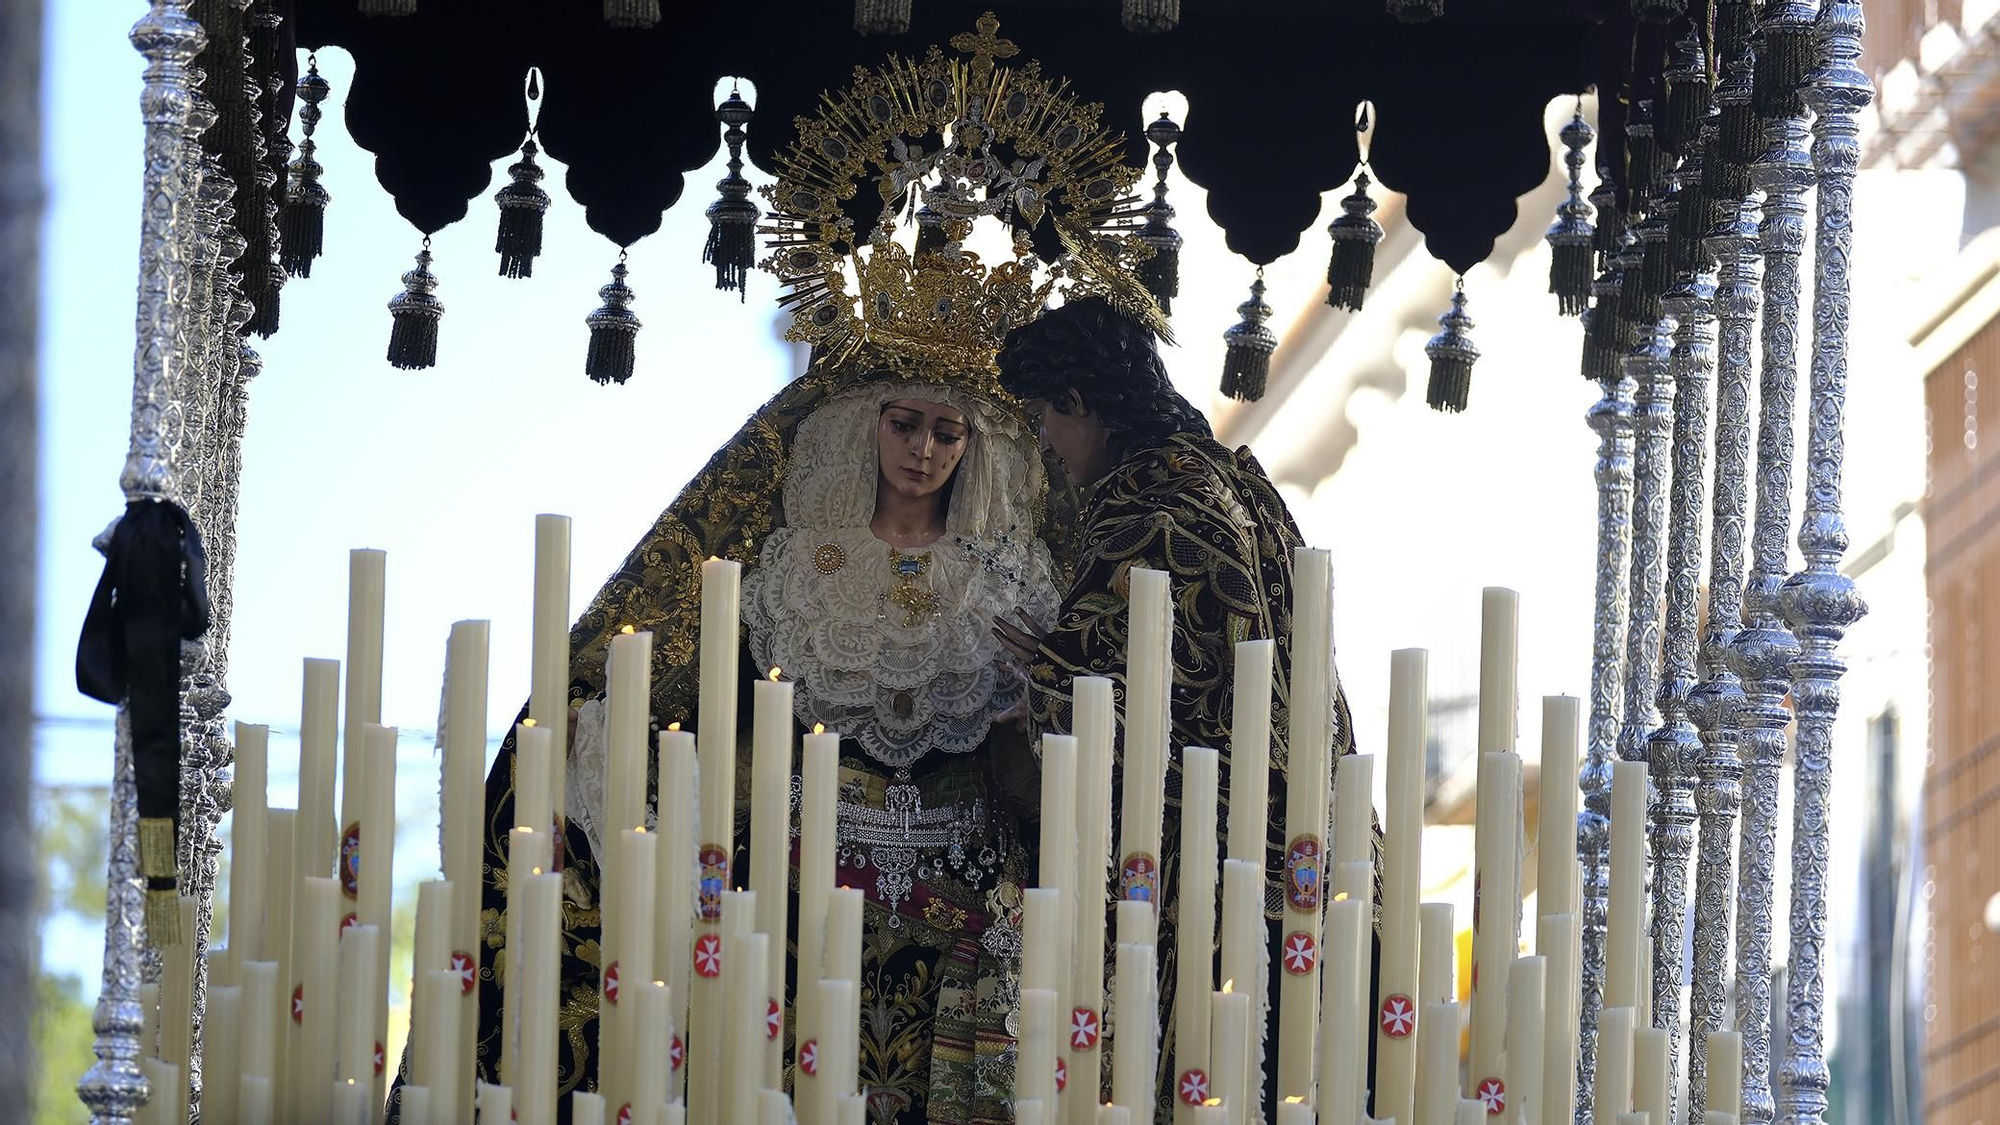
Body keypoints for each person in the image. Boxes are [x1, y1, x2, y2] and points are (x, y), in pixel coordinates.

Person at [994, 296, 1372, 1119]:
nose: (1050, 449)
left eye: (1045, 419)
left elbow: (1129, 709)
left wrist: (1049, 670)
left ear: (1081, 403)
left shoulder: (1141, 505)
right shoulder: (1235, 477)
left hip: (1221, 881)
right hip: (1324, 857)